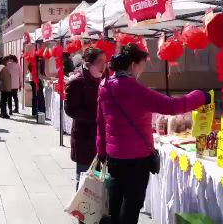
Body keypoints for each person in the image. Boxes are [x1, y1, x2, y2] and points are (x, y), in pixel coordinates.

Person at [97, 44, 210, 224]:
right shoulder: (136, 89)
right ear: (133, 64)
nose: (142, 69)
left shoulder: (105, 86)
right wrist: (200, 96)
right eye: (142, 64)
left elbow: (101, 123)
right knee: (131, 205)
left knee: (115, 203)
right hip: (137, 159)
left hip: (114, 156)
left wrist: (102, 152)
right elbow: (172, 106)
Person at [65, 47, 106, 190]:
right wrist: (97, 117)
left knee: (99, 178)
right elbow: (70, 109)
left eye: (104, 62)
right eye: (100, 61)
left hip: (100, 139)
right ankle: (81, 210)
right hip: (84, 139)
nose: (103, 65)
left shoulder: (101, 80)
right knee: (84, 178)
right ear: (89, 63)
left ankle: (96, 209)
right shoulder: (76, 82)